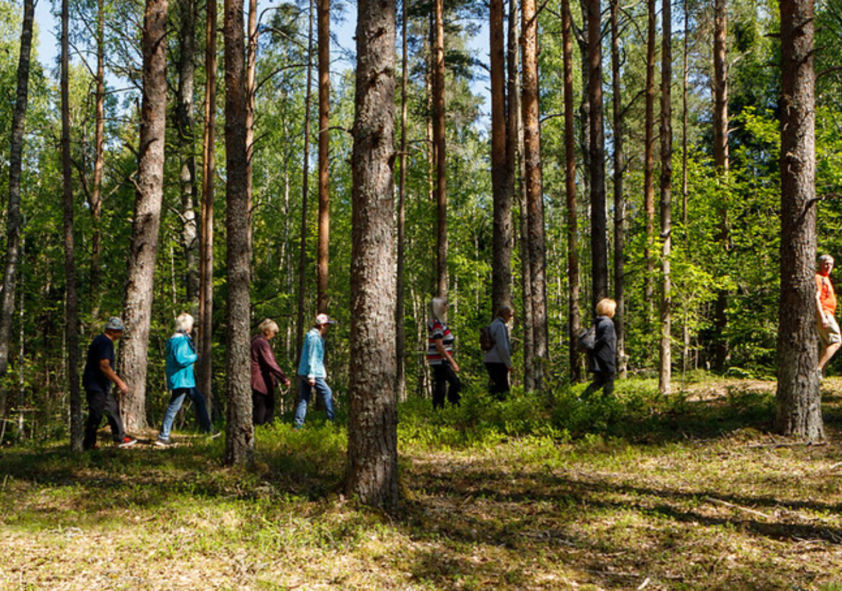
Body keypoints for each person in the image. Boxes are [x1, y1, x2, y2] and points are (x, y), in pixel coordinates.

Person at [155, 313, 216, 446]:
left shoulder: (174, 339)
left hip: (185, 379)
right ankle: (163, 436)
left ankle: (208, 430)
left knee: (199, 400)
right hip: (182, 379)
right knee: (174, 406)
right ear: (187, 326)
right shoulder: (182, 340)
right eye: (191, 325)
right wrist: (195, 357)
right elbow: (181, 359)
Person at [82, 317, 137, 450]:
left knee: (113, 409)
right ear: (112, 331)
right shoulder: (105, 343)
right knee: (96, 415)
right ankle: (88, 445)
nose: (120, 334)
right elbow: (104, 366)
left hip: (101, 386)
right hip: (96, 385)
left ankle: (120, 438)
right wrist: (120, 382)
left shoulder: (101, 340)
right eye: (119, 331)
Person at [294, 314, 336, 428]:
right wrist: (312, 376)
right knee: (327, 392)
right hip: (311, 373)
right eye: (327, 325)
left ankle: (298, 425)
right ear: (322, 325)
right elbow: (312, 356)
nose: (328, 327)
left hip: (305, 372)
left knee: (304, 398)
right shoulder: (314, 338)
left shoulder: (314, 336)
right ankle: (331, 421)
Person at [252, 318, 292, 426]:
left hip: (262, 383)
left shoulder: (256, 340)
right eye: (274, 332)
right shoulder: (261, 343)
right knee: (261, 414)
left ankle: (264, 432)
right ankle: (260, 433)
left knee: (266, 411)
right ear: (267, 331)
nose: (274, 335)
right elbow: (270, 362)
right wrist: (283, 378)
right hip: (260, 384)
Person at [427, 297, 461, 409]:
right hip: (440, 360)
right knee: (455, 382)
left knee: (440, 384)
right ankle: (453, 405)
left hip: (439, 360)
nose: (446, 307)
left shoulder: (439, 323)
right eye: (444, 305)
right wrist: (452, 362)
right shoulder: (437, 325)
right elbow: (439, 345)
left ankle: (438, 408)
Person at [581, 298, 617, 400]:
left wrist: (594, 348)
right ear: (609, 310)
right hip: (606, 356)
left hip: (596, 356)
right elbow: (605, 338)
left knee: (599, 381)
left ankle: (581, 399)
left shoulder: (597, 322)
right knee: (609, 379)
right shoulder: (608, 323)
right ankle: (608, 402)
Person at [816, 254, 841, 377]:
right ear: (820, 264)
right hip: (824, 313)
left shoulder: (825, 278)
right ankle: (818, 370)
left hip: (827, 313)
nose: (828, 266)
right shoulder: (818, 277)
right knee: (837, 341)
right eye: (826, 263)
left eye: (831, 264)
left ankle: (821, 375)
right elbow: (816, 297)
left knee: (826, 345)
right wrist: (822, 317)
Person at [484, 305, 514, 400]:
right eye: (510, 315)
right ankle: (501, 406)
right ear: (504, 315)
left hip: (489, 360)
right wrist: (508, 363)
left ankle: (490, 404)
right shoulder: (500, 326)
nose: (510, 318)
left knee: (495, 387)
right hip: (497, 361)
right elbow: (502, 347)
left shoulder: (493, 324)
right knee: (503, 389)